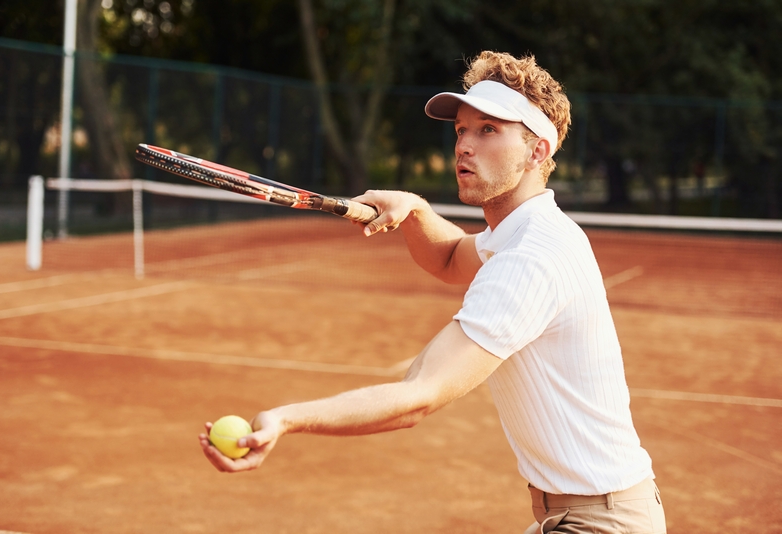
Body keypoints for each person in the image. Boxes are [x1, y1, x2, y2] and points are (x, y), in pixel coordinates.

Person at [199, 50, 666, 534]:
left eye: (488, 129)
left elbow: (418, 396)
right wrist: (416, 210)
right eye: (461, 130)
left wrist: (286, 419)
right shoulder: (525, 231)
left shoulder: (532, 257)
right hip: (584, 512)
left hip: (601, 522)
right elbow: (449, 258)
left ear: (537, 152)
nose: (465, 145)